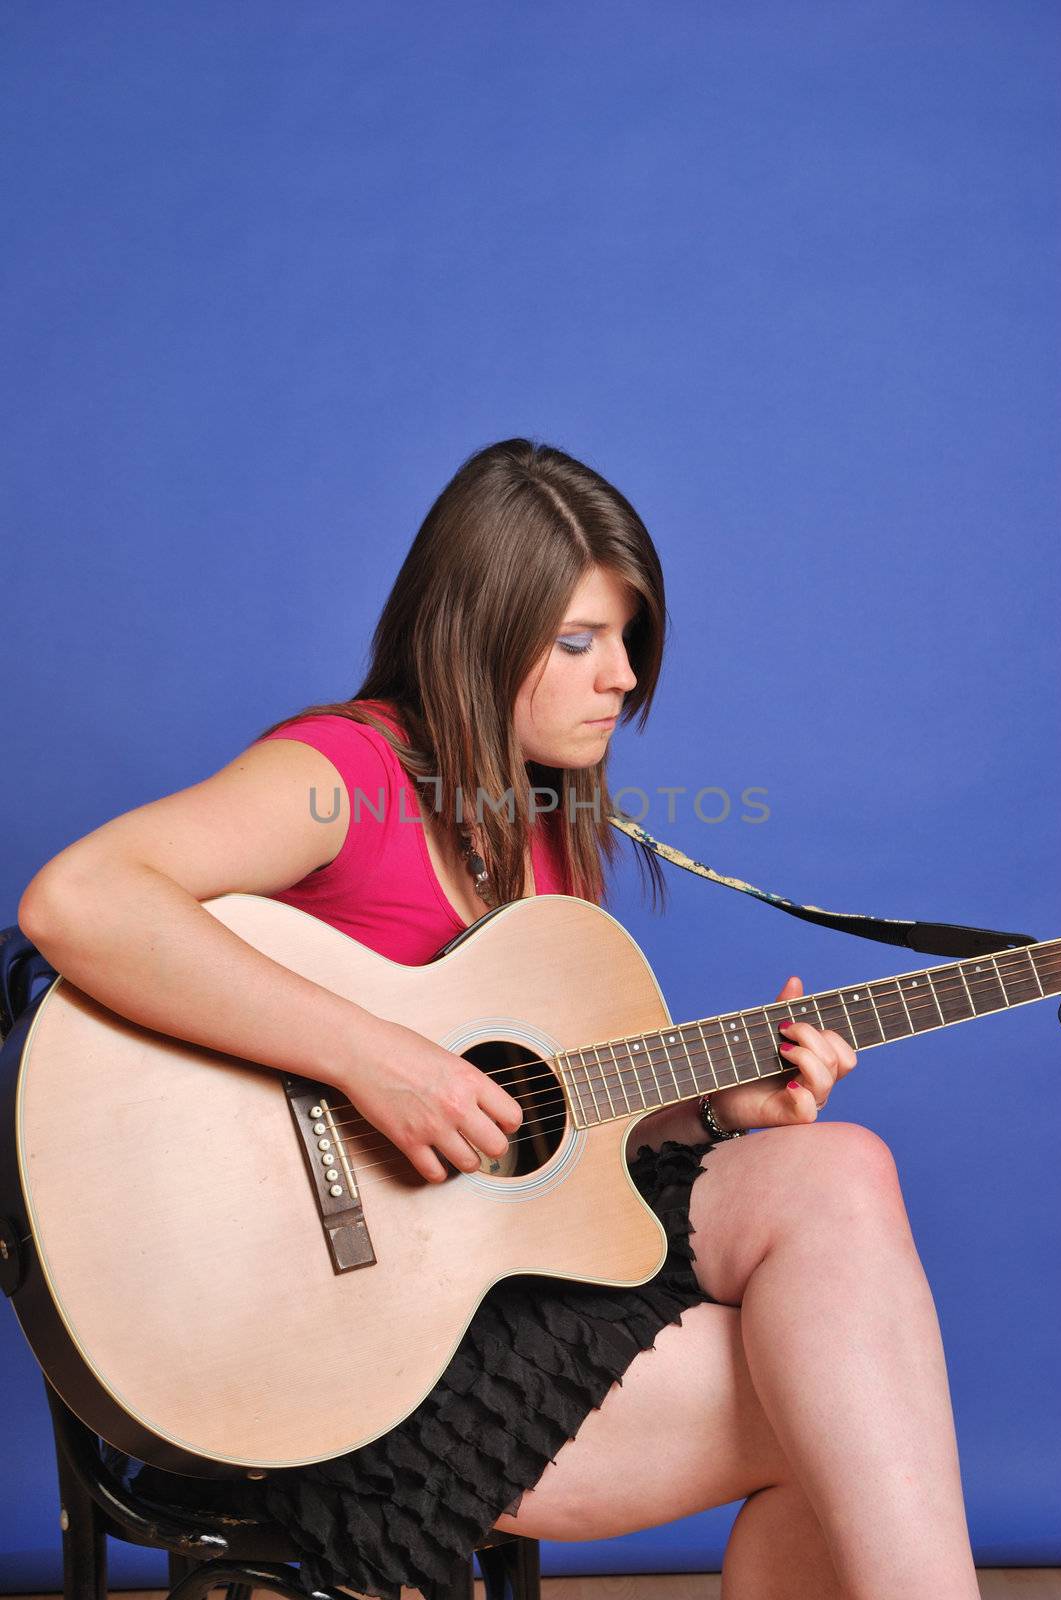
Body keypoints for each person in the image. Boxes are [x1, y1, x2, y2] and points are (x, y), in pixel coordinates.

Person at [18, 438, 981, 1600]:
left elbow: (538, 1156)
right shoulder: (344, 772)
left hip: (503, 1291)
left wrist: (710, 1108)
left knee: (841, 1178)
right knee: (849, 1417)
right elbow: (77, 900)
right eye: (580, 641)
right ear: (475, 630)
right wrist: (379, 1061)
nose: (621, 676)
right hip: (351, 1355)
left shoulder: (535, 828)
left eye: (628, 640)